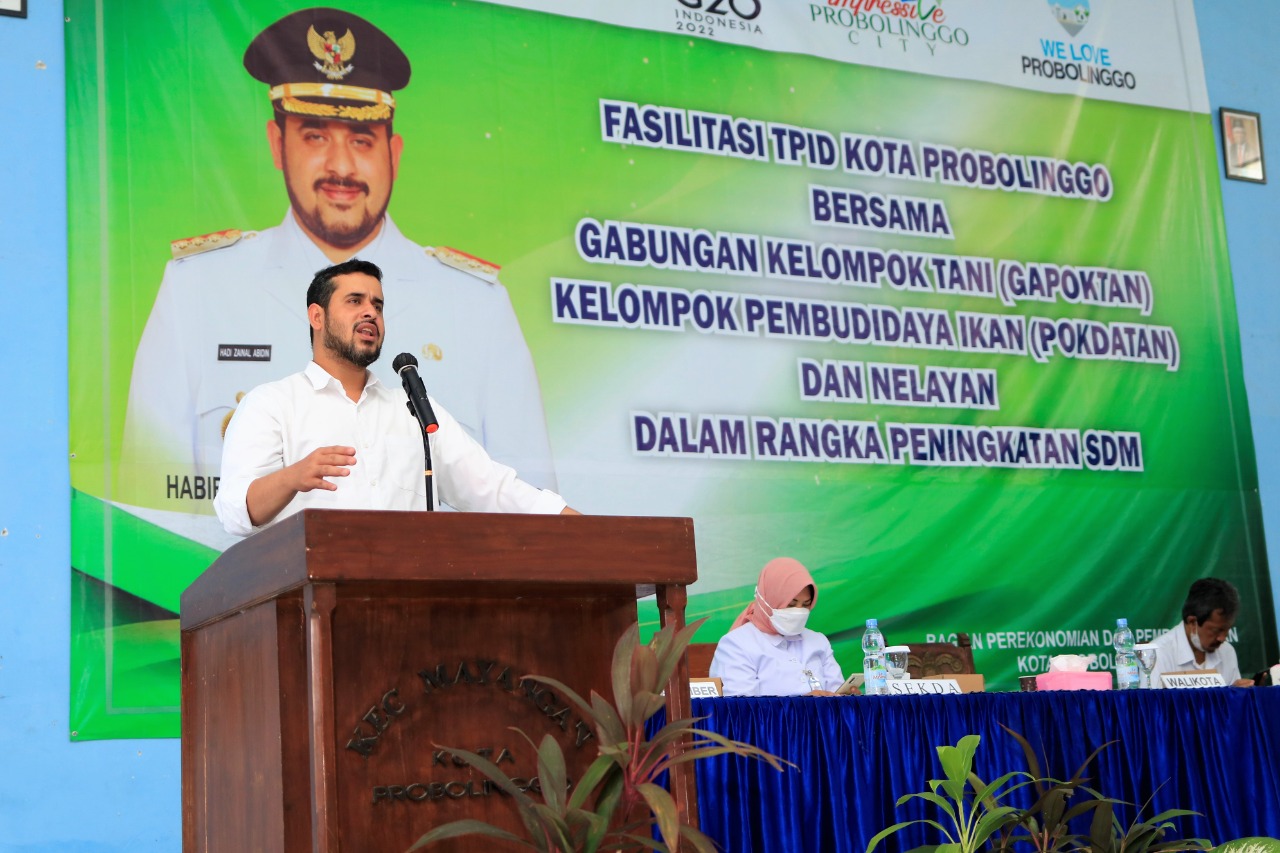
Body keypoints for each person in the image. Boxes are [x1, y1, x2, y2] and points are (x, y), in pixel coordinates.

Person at [122, 7, 555, 546]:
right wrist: (292, 477)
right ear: (277, 144)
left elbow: (505, 493)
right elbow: (156, 515)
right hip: (275, 594)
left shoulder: (473, 307)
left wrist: (574, 523)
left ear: (394, 153)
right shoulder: (199, 291)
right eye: (314, 136)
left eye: (362, 139)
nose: (342, 167)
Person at [214, 259, 577, 536]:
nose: (370, 312)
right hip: (311, 603)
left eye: (378, 305)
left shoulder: (414, 412)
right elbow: (234, 512)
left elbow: (490, 488)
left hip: (408, 599)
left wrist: (582, 526)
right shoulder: (271, 404)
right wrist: (291, 477)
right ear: (317, 317)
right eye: (354, 301)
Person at [709, 557, 845, 697]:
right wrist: (803, 705)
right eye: (791, 604)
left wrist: (848, 698)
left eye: (805, 605)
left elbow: (837, 693)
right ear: (768, 599)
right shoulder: (736, 645)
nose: (798, 611)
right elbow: (742, 708)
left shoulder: (818, 641)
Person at [1149, 578, 1252, 688]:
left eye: (1227, 629)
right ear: (1192, 622)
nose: (1222, 638)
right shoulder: (1157, 655)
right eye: (1216, 630)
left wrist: (1234, 694)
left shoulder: (1227, 652)